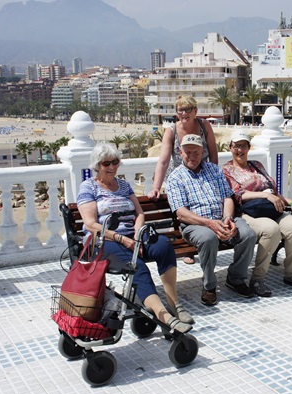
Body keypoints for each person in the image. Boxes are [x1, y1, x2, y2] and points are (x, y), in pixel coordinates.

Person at [77, 142, 194, 333]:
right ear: (97, 165)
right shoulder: (89, 187)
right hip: (104, 242)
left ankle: (174, 305)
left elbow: (139, 213)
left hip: (132, 236)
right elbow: (91, 224)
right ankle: (164, 317)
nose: (113, 167)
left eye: (115, 162)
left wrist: (137, 237)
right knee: (136, 265)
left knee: (164, 246)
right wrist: (122, 239)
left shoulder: (123, 185)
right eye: (107, 163)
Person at [166, 134, 257, 306]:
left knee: (248, 234)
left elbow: (227, 198)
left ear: (203, 152)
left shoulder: (214, 170)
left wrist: (228, 218)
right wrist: (209, 223)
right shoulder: (175, 178)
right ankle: (209, 285)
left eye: (196, 152)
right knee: (208, 238)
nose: (192, 156)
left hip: (221, 218)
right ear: (180, 152)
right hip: (195, 224)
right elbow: (181, 213)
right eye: (188, 152)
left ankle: (236, 279)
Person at [222, 130, 292, 296]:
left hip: (271, 209)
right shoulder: (227, 170)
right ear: (230, 148)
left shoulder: (257, 165)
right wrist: (265, 195)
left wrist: (291, 203)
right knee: (271, 230)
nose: (240, 150)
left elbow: (273, 191)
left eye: (243, 146)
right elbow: (237, 195)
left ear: (249, 148)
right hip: (247, 212)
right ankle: (257, 279)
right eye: (236, 146)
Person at [147, 95, 219, 265]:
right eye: (180, 110)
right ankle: (190, 247)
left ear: (195, 111)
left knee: (203, 206)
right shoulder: (171, 131)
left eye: (188, 109)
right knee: (184, 210)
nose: (184, 113)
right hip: (181, 176)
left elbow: (214, 154)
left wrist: (213, 175)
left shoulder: (204, 126)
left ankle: (204, 241)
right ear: (176, 112)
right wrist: (156, 187)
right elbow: (164, 161)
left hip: (203, 173)